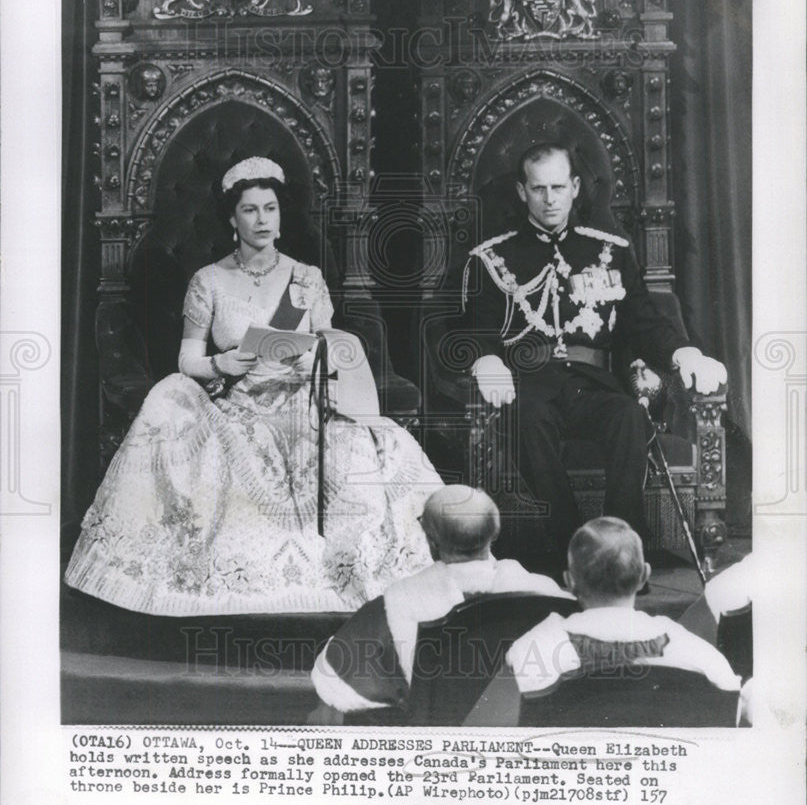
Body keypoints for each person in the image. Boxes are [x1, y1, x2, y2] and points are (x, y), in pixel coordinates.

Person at [65, 156, 443, 615]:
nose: (262, 219)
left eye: (270, 208)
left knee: (374, 448)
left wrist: (311, 358)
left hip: (304, 401)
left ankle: (357, 569)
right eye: (250, 210)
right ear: (232, 218)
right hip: (238, 406)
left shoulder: (307, 278)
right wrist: (221, 361)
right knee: (168, 399)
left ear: (281, 217)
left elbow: (330, 345)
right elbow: (186, 359)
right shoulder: (209, 281)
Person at [464, 141, 727, 565]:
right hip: (529, 385)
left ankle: (621, 549)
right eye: (538, 189)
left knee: (627, 414)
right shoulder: (493, 258)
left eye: (557, 187)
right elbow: (476, 327)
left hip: (593, 384)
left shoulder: (611, 251)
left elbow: (643, 321)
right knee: (527, 417)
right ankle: (573, 548)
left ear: (574, 187)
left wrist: (684, 354)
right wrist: (486, 358)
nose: (549, 199)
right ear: (521, 191)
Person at [309, 484, 573, 719]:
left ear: (431, 540)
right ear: (495, 532)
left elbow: (333, 678)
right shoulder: (546, 593)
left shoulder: (398, 601)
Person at [465, 517, 741, 726]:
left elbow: (483, 735)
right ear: (644, 576)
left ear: (569, 582)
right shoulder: (697, 654)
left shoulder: (529, 651)